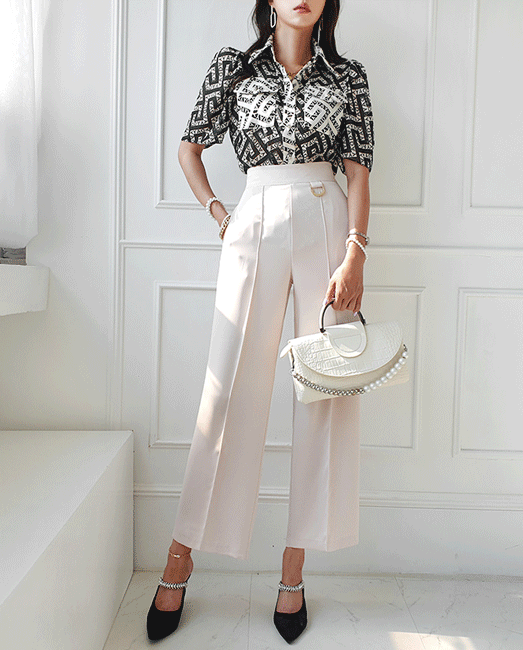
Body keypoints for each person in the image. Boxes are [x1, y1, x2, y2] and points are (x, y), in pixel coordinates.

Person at [146, 0, 374, 643]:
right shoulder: (234, 66)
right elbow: (191, 148)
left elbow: (358, 170)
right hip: (253, 219)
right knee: (227, 393)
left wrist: (356, 252)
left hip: (329, 222)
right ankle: (181, 556)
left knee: (322, 393)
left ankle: (293, 571)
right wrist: (222, 215)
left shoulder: (347, 75)